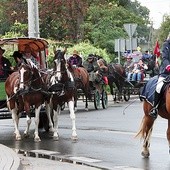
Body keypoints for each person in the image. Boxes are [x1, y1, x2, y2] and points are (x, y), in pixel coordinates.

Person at [150, 33, 170, 119]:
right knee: (159, 86)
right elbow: (165, 58)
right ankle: (155, 108)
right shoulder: (166, 45)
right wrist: (168, 66)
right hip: (166, 71)